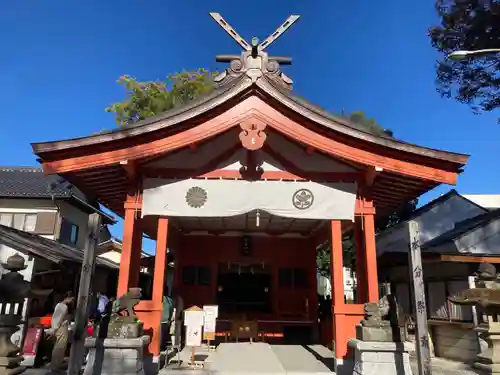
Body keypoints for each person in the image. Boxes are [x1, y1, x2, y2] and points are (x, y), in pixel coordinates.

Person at [50, 292, 74, 371]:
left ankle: (56, 364)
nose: (72, 301)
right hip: (61, 328)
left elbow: (55, 318)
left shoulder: (59, 305)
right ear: (68, 298)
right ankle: (55, 365)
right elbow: (58, 318)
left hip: (58, 327)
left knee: (59, 347)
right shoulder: (63, 307)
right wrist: (55, 328)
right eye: (72, 299)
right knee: (60, 347)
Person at [160, 287, 173, 351]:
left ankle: (161, 347)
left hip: (161, 320)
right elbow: (171, 310)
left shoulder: (160, 299)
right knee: (164, 335)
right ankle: (163, 346)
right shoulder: (169, 300)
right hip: (166, 320)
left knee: (160, 336)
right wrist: (169, 319)